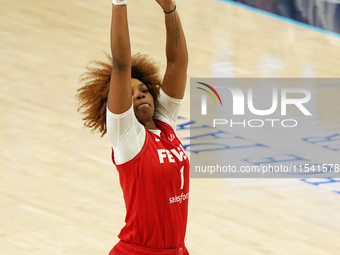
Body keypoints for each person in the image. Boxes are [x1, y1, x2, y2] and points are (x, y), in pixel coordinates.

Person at [76, 0, 190, 254]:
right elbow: (121, 63)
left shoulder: (165, 123)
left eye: (144, 89)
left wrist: (170, 9)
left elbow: (178, 63)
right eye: (129, 93)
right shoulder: (126, 135)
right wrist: (119, 3)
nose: (139, 95)